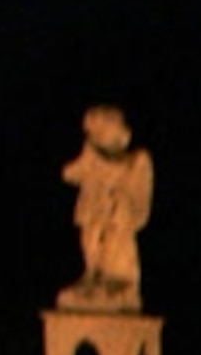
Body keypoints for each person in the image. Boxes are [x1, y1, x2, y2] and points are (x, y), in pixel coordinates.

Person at [61, 106, 154, 308]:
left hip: (116, 214)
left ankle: (118, 283)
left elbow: (133, 185)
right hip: (95, 210)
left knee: (115, 243)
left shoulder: (135, 160)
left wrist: (100, 165)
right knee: (91, 236)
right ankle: (92, 273)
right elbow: (69, 173)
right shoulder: (92, 156)